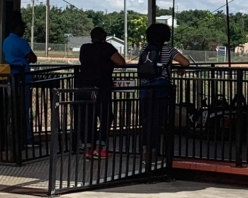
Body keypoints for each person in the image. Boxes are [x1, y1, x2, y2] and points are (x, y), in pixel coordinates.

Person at [137, 23, 189, 164]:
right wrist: (180, 68)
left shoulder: (145, 49)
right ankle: (153, 155)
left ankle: (144, 152)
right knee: (157, 121)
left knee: (146, 121)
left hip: (144, 86)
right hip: (160, 86)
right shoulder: (168, 50)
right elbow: (185, 62)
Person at [76, 27, 126, 158]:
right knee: (106, 115)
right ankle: (99, 147)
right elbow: (121, 62)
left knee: (87, 117)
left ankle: (87, 149)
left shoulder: (84, 48)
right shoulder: (107, 48)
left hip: (83, 86)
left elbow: (83, 61)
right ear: (104, 36)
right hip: (100, 87)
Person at [2, 12, 37, 143]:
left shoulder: (5, 41)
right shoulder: (21, 42)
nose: (23, 30)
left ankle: (13, 136)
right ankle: (27, 138)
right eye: (22, 28)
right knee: (24, 108)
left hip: (11, 77)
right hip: (23, 78)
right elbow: (33, 58)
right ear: (17, 28)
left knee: (13, 108)